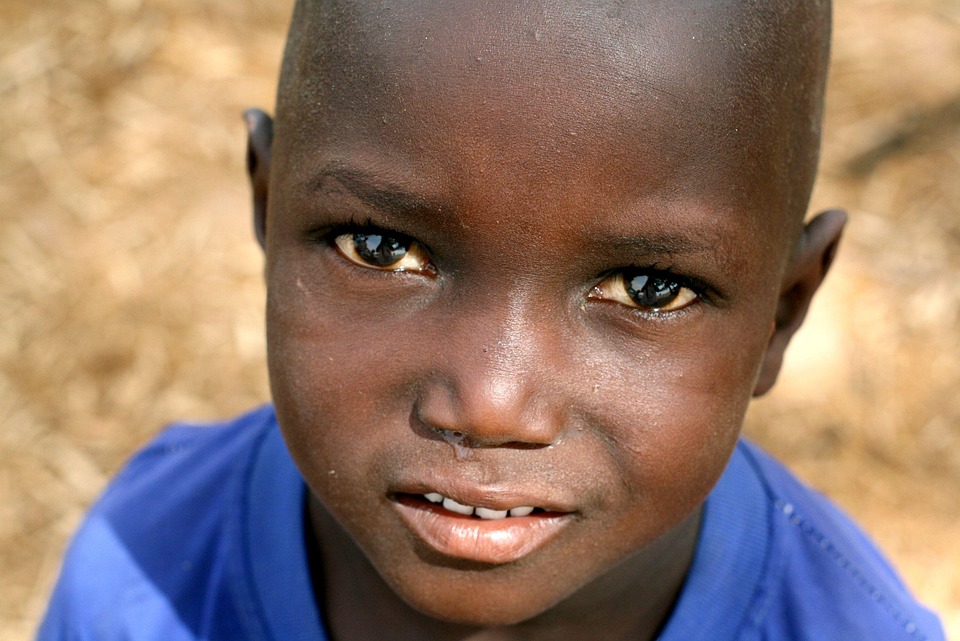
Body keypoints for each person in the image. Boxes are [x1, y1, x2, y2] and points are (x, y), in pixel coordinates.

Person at [38, 1, 946, 639]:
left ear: (782, 314)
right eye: (382, 247)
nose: (491, 402)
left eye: (647, 289)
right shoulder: (144, 570)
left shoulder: (849, 625)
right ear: (268, 214)